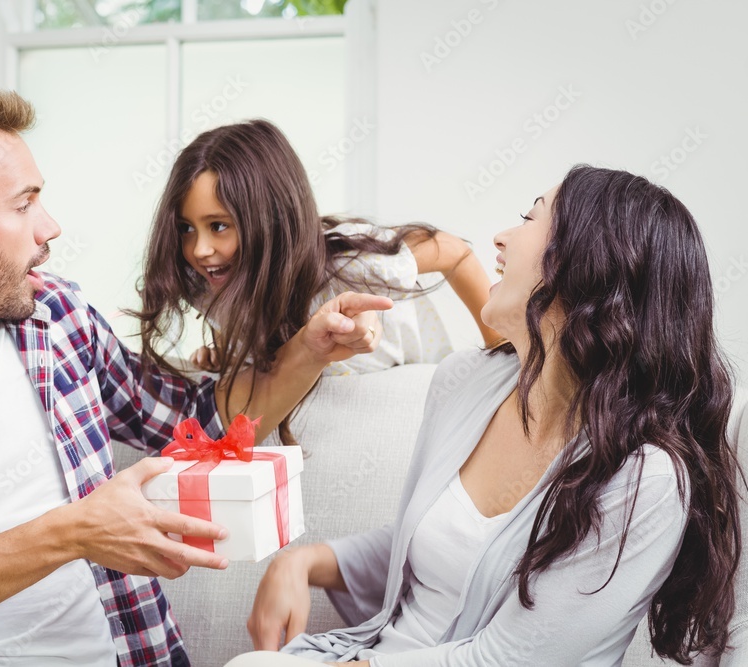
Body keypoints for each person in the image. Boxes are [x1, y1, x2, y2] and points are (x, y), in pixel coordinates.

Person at [0, 87, 392, 667]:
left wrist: (309, 350)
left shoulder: (55, 314)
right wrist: (75, 531)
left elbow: (196, 423)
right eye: (24, 204)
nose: (50, 228)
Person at [227, 165, 742, 666]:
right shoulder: (465, 382)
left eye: (529, 217)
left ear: (588, 262)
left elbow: (514, 658)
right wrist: (306, 561)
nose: (500, 238)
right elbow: (437, 544)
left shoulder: (644, 479)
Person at [132, 119, 499, 442]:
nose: (200, 249)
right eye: (186, 229)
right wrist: (228, 351)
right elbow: (249, 317)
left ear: (270, 218)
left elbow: (454, 252)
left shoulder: (352, 264)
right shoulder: (207, 284)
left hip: (403, 366)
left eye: (219, 226)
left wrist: (503, 352)